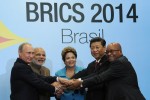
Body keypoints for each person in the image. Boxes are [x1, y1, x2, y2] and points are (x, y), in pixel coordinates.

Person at [69, 42, 146, 100]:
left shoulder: (120, 62)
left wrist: (80, 83)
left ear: (120, 51)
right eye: (107, 52)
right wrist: (74, 81)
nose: (109, 54)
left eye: (112, 51)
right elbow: (97, 74)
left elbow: (100, 78)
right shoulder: (111, 63)